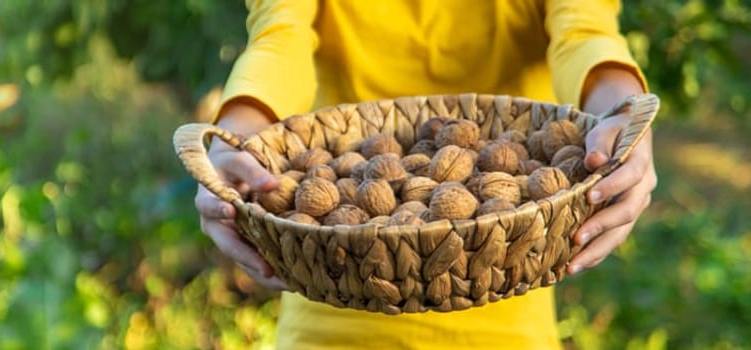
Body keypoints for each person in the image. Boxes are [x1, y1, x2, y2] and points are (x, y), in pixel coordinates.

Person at [194, 1, 656, 348]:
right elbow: (280, 39)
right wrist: (237, 134)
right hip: (336, 284)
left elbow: (584, 30)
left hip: (501, 285)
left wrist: (624, 114)